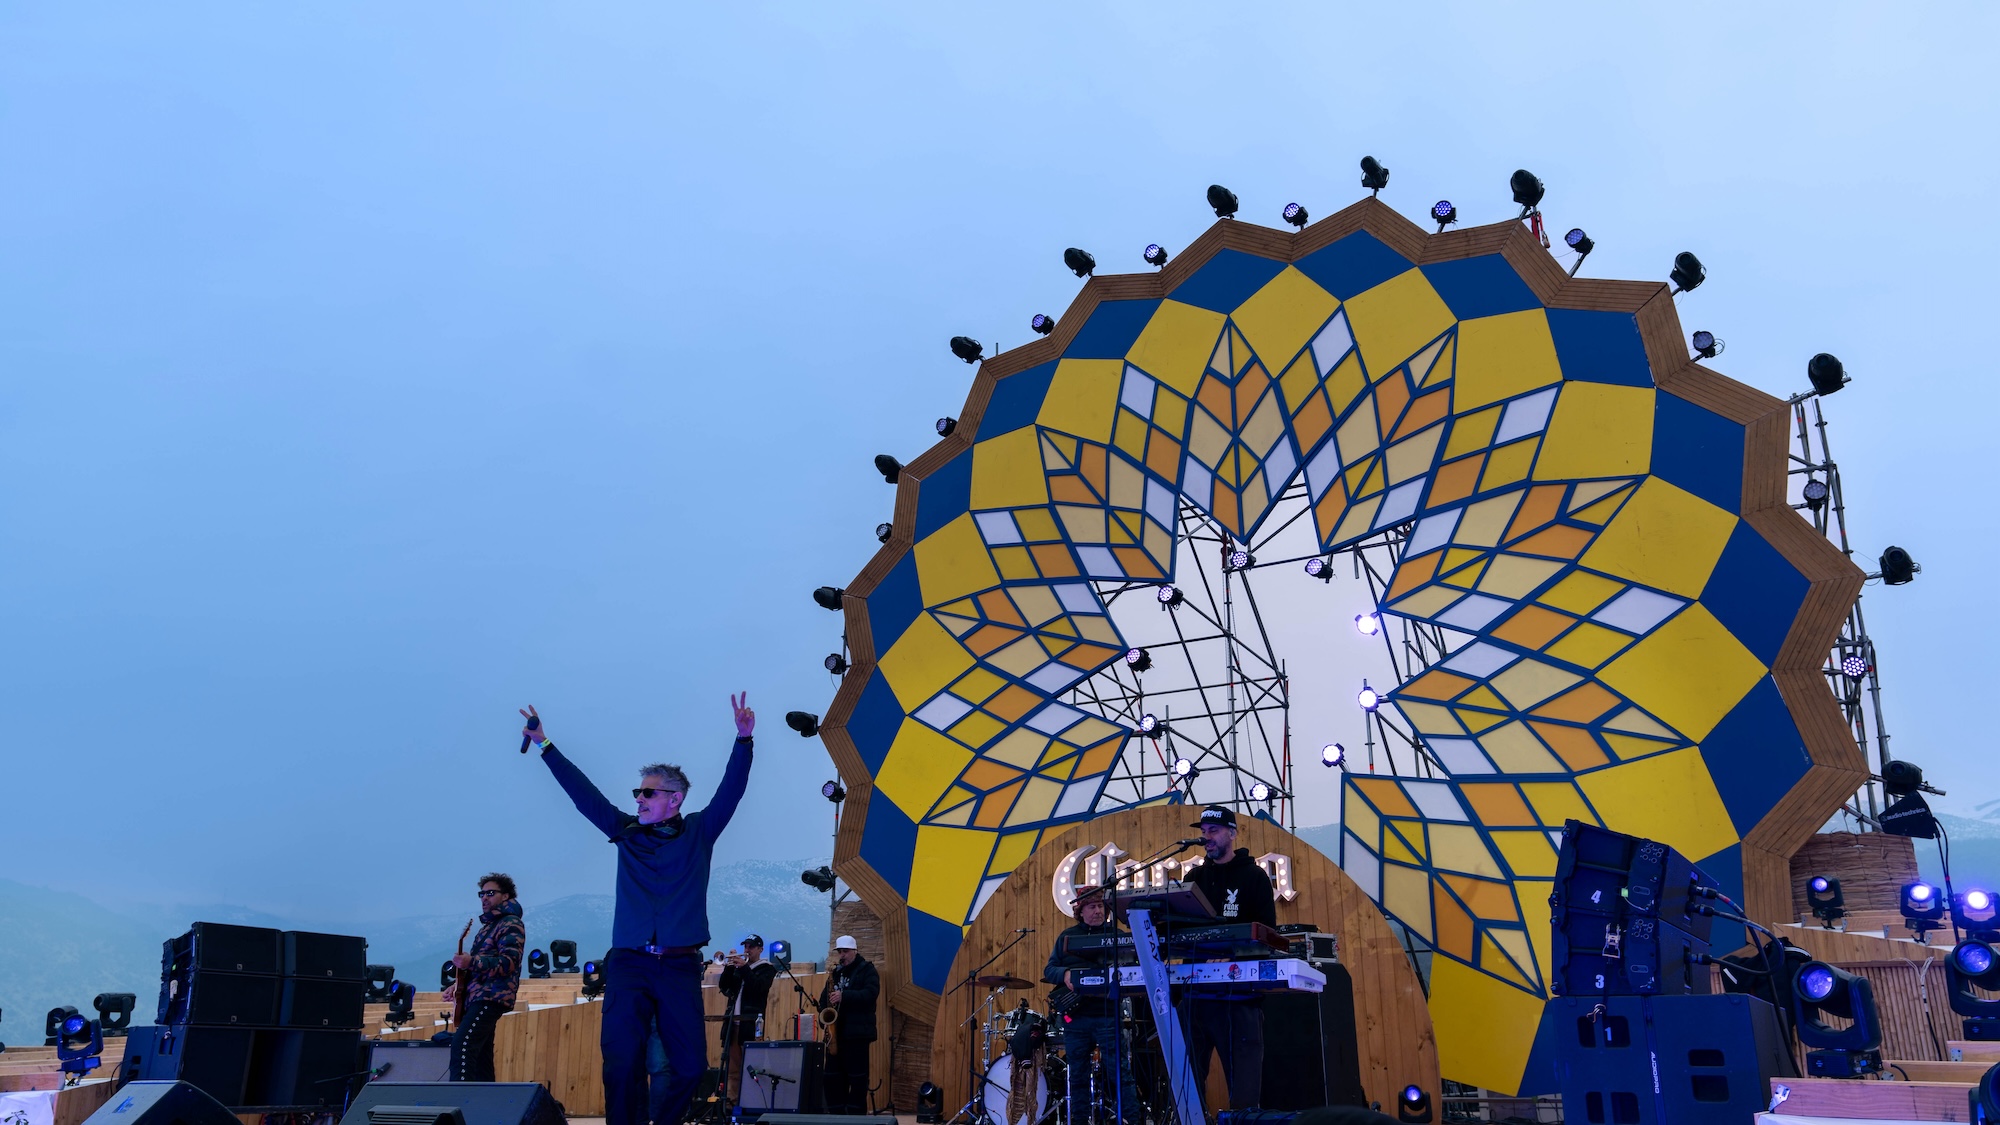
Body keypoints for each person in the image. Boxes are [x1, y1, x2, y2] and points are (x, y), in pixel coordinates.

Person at [526, 695, 755, 1125]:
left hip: (679, 966)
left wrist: (743, 741)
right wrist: (545, 744)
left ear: (675, 798)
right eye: (638, 792)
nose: (639, 800)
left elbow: (732, 792)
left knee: (690, 1067)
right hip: (629, 963)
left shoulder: (699, 832)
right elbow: (584, 795)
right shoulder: (625, 832)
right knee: (621, 1064)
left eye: (648, 793)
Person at [1182, 805, 1276, 1110]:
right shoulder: (1194, 877)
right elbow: (1179, 930)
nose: (1206, 837)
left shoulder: (1254, 876)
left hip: (1239, 997)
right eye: (1203, 832)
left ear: (1232, 834)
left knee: (1244, 1084)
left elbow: (1267, 933)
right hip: (1195, 994)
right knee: (1185, 1080)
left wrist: (1232, 955)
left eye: (1214, 831)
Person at [1042, 887, 1143, 1125]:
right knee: (1077, 1076)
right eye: (1092, 906)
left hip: (1107, 1015)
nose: (1098, 911)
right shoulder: (1067, 936)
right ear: (1081, 911)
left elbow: (1135, 965)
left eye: (1100, 906)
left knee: (1120, 1074)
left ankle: (1131, 1120)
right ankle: (1080, 1120)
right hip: (1075, 1019)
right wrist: (1065, 973)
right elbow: (1049, 969)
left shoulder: (1116, 935)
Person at [447, 873, 527, 1082]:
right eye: (481, 894)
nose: (484, 897)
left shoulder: (511, 923)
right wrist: (457, 985)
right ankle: (486, 1099)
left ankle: (459, 1098)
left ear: (506, 896)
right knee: (481, 1058)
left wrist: (471, 962)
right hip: (479, 995)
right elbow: (479, 967)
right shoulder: (487, 927)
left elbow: (509, 962)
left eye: (490, 893)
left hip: (491, 996)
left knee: (462, 1045)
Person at [820, 935, 879, 1115]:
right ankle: (836, 1115)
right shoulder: (836, 973)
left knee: (857, 1079)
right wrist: (825, 1013)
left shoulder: (867, 970)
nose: (842, 955)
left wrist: (844, 996)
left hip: (857, 1034)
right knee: (832, 1078)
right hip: (836, 1034)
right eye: (839, 952)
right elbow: (824, 999)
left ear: (855, 951)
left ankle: (855, 1116)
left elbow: (870, 994)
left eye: (845, 951)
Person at [717, 935, 778, 1099]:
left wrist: (744, 968)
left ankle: (750, 1102)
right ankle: (731, 1102)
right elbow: (724, 986)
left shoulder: (767, 969)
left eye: (751, 947)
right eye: (745, 946)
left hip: (750, 1024)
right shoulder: (739, 968)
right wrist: (729, 967)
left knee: (751, 1068)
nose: (747, 950)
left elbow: (758, 987)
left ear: (760, 949)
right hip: (733, 1023)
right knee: (733, 1069)